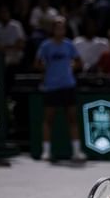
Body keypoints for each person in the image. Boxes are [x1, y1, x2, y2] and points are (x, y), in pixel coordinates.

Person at [34, 16, 86, 161]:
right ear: (53, 29)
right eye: (57, 26)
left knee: (72, 119)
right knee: (48, 120)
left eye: (62, 26)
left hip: (68, 85)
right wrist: (47, 70)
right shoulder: (45, 46)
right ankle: (46, 152)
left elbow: (79, 62)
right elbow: (37, 63)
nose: (60, 29)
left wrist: (69, 69)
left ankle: (76, 152)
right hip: (51, 87)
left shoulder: (69, 45)